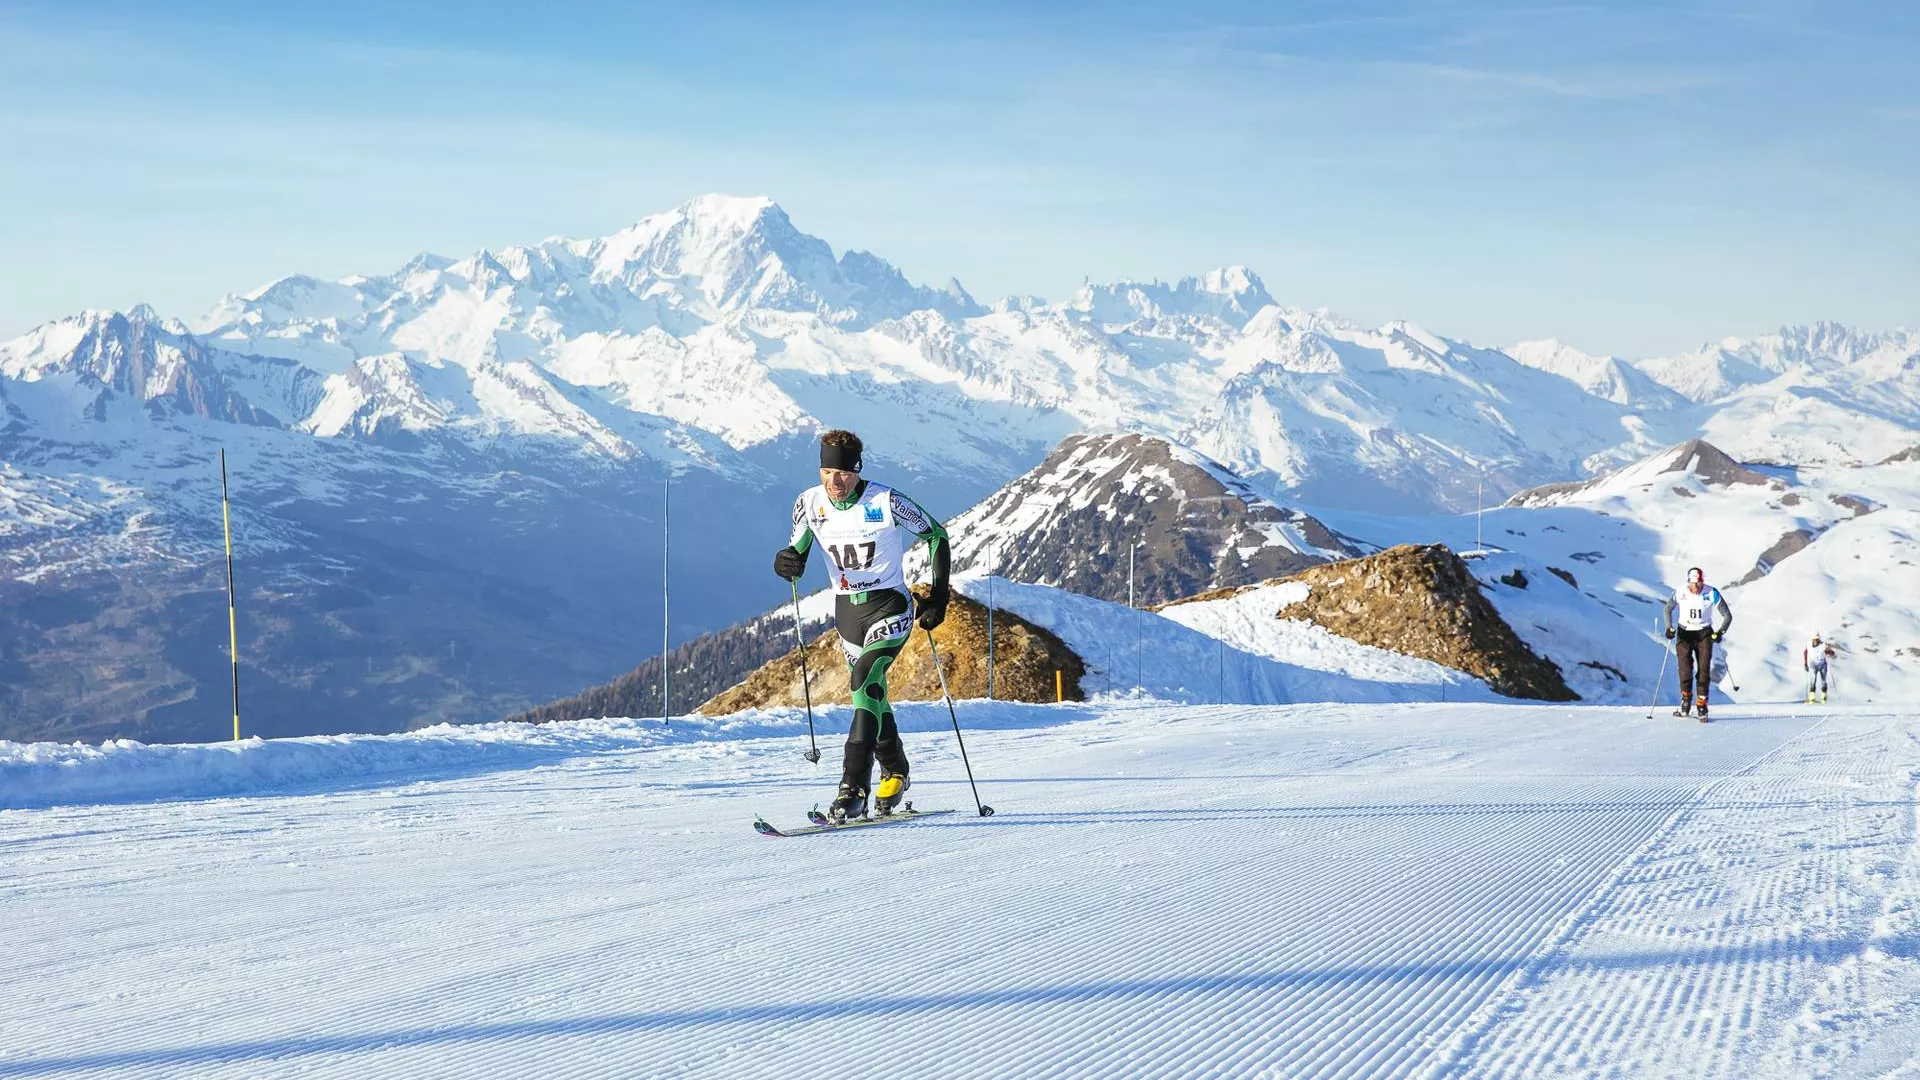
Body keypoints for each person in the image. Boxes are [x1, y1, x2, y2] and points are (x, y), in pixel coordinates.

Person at [772, 429, 952, 822]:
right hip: (847, 612)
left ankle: (853, 787)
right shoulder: (808, 502)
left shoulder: (886, 501)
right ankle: (896, 770)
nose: (833, 482)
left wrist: (938, 597)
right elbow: (797, 551)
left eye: (842, 473)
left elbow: (936, 535)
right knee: (871, 695)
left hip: (889, 605)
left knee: (864, 679)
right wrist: (786, 561)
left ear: (857, 470)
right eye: (825, 471)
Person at [1663, 566, 1732, 720]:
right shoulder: (1680, 591)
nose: (1697, 587)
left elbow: (1727, 615)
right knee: (1685, 668)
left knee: (1704, 670)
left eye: (1699, 583)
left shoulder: (1711, 592)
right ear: (1688, 582)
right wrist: (1669, 628)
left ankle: (1702, 703)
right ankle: (1686, 700)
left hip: (1704, 633)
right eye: (1694, 584)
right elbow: (1668, 609)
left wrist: (1720, 632)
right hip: (1684, 633)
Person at [1804, 634, 1836, 704]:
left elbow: (1830, 652)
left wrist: (1830, 652)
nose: (1816, 640)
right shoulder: (1809, 644)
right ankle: (1812, 699)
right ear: (1812, 639)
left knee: (1823, 681)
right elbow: (1805, 652)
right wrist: (1805, 663)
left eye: (1817, 639)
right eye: (1815, 639)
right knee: (1812, 681)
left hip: (1822, 664)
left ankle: (1823, 699)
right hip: (1813, 664)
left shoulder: (1823, 645)